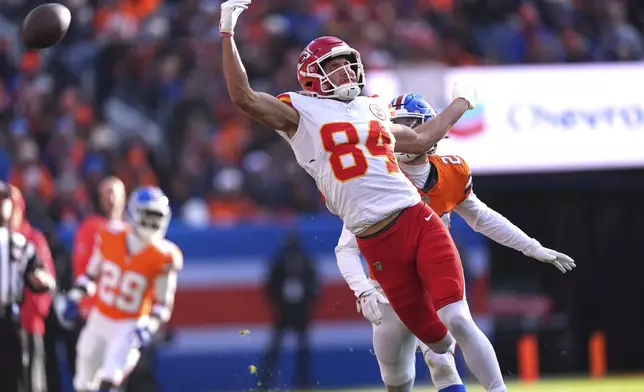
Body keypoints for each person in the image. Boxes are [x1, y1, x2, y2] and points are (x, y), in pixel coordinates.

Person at [218, 1, 511, 391]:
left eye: (347, 62)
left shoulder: (372, 107)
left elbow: (423, 138)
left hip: (416, 218)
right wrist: (227, 33)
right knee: (435, 342)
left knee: (455, 321)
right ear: (311, 77)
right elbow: (243, 97)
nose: (346, 70)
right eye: (334, 65)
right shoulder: (299, 111)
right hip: (373, 240)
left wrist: (461, 102)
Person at [335, 94, 577, 392]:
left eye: (413, 125)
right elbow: (346, 247)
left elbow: (481, 216)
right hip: (388, 289)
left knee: (449, 346)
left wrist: (531, 246)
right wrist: (362, 291)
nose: (408, 134)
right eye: (398, 126)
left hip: (432, 273)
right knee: (397, 380)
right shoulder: (375, 179)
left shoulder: (451, 171)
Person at [55, 186, 182, 392]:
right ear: (133, 213)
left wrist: (148, 327)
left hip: (130, 323)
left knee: (110, 379)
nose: (152, 222)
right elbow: (90, 275)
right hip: (100, 316)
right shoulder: (110, 234)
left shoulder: (164, 256)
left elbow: (162, 305)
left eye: (156, 216)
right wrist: (74, 297)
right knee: (83, 382)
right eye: (147, 215)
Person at [0, 181, 56, 392]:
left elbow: (44, 278)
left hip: (18, 321)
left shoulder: (25, 242)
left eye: (5, 202)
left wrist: (42, 283)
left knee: (23, 381)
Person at [260, 232, 319, 389]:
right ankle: (266, 382)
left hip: (300, 310)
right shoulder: (279, 261)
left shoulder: (305, 260)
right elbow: (270, 285)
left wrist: (306, 303)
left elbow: (314, 284)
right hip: (283, 311)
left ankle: (303, 382)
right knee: (275, 348)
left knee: (302, 349)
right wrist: (278, 304)